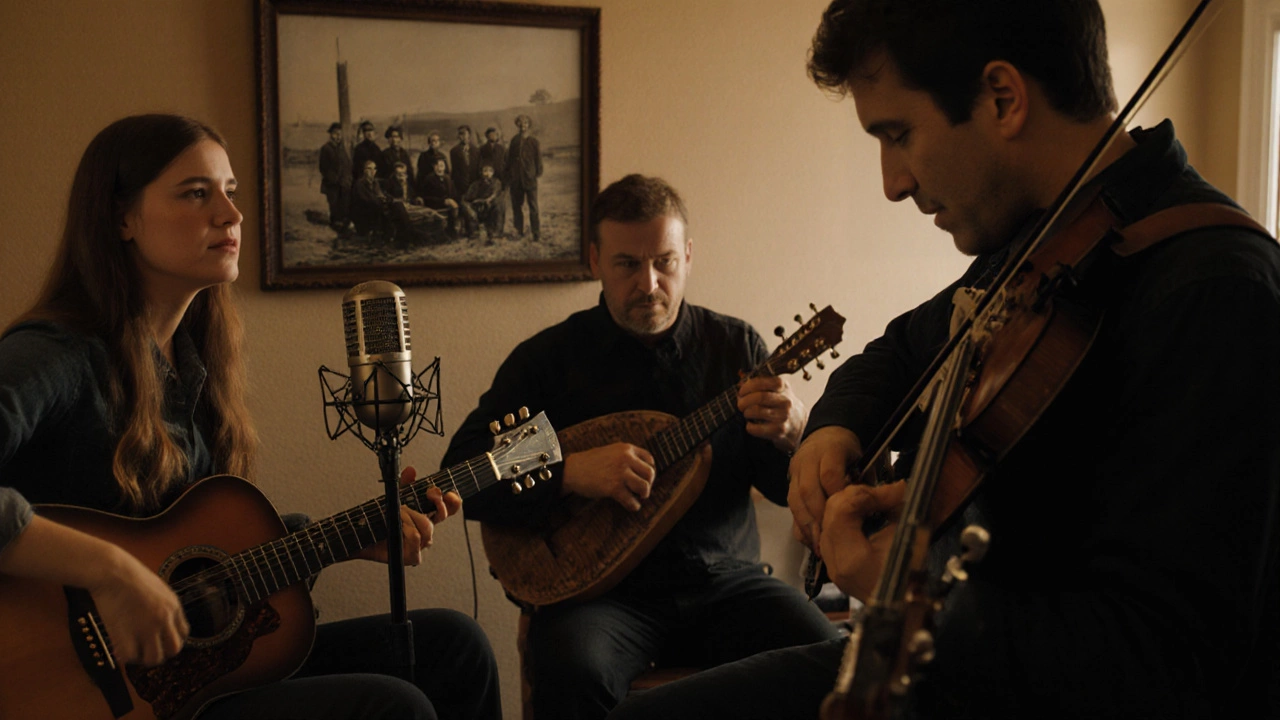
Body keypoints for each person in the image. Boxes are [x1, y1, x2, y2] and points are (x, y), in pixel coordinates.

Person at [606, 2, 1280, 719]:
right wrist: (835, 426)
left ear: (1002, 99)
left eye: (898, 134)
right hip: (946, 661)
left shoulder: (1216, 291)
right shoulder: (1038, 243)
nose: (892, 182)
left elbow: (1162, 662)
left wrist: (912, 586)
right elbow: (898, 350)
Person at [0, 114, 502, 720]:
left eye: (230, 193)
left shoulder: (192, 364)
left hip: (182, 673)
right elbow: (138, 569)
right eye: (196, 193)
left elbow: (192, 561)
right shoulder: (55, 354)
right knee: (390, 707)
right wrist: (110, 572)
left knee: (456, 644)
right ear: (120, 218)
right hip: (72, 693)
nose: (232, 216)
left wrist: (341, 541)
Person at [441, 174, 841, 720]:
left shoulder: (734, 348)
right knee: (571, 674)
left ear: (688, 256)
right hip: (601, 598)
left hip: (724, 582)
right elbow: (464, 471)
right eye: (628, 264)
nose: (649, 283)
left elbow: (781, 486)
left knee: (834, 661)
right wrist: (566, 469)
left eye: (665, 261)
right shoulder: (550, 361)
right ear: (595, 261)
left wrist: (795, 436)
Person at [505, 114, 542, 241]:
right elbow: (509, 160)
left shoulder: (534, 142)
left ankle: (536, 233)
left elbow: (538, 161)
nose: (523, 126)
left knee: (533, 207)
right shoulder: (514, 141)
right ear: (517, 125)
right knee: (516, 206)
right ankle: (519, 231)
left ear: (529, 125)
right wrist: (511, 176)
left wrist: (533, 174)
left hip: (529, 179)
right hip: (516, 180)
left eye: (525, 123)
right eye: (520, 123)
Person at [318, 122, 352, 231]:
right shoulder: (326, 149)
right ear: (331, 135)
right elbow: (323, 167)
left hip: (344, 184)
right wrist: (333, 179)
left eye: (340, 134)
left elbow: (347, 164)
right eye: (335, 134)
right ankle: (335, 230)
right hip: (332, 185)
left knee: (344, 206)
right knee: (334, 207)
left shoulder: (342, 149)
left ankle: (343, 229)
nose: (338, 136)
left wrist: (347, 178)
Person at [461, 163, 506, 243]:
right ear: (481, 172)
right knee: (468, 209)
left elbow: (495, 194)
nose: (487, 174)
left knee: (500, 205)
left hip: (490, 210)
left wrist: (488, 200)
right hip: (477, 209)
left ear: (493, 172)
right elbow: (466, 198)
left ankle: (496, 234)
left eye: (490, 171)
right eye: (485, 171)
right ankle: (474, 233)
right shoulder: (475, 184)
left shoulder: (496, 182)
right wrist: (472, 206)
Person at [420, 157, 460, 238]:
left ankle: (453, 230)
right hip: (435, 204)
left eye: (442, 165)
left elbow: (453, 193)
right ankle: (444, 233)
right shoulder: (429, 179)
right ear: (434, 167)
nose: (440, 168)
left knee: (457, 206)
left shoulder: (447, 178)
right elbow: (426, 197)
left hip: (449, 204)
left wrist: (452, 200)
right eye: (438, 165)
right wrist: (443, 201)